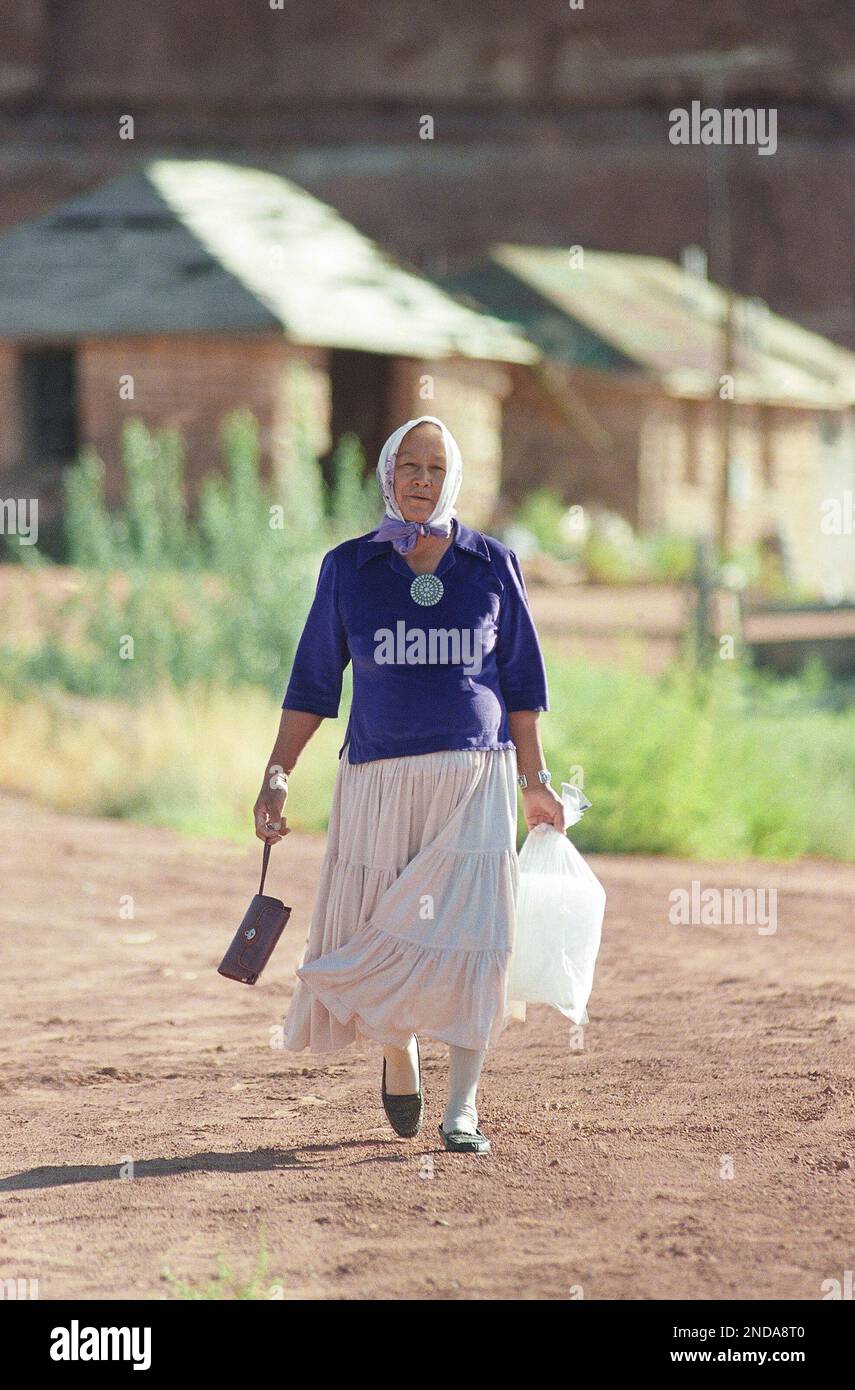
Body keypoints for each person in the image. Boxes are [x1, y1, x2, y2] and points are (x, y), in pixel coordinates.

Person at [253, 414, 563, 1154]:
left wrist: (536, 781)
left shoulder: (492, 565)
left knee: (474, 938)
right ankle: (398, 1052)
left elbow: (521, 684)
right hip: (378, 779)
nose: (421, 481)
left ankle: (463, 1109)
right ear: (387, 474)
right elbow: (313, 683)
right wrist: (276, 775)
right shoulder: (348, 567)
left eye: (434, 468)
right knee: (377, 928)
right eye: (408, 468)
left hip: (473, 780)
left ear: (451, 478)